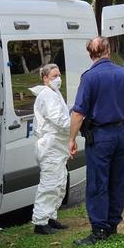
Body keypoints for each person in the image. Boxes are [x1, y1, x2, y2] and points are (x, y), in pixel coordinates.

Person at [69, 37, 124, 246]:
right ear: (108, 51)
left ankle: (99, 229)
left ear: (90, 54)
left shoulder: (90, 78)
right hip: (120, 134)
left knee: (98, 183)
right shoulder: (121, 72)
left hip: (100, 137)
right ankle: (112, 224)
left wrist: (72, 139)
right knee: (118, 181)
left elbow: (78, 113)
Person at [28, 63, 71, 235]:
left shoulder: (54, 93)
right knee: (49, 184)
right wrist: (77, 124)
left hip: (57, 147)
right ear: (45, 79)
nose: (58, 79)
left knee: (59, 183)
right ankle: (40, 222)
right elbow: (59, 120)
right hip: (50, 147)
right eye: (54, 76)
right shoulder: (46, 95)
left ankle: (50, 217)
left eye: (59, 75)